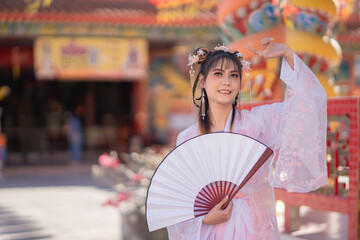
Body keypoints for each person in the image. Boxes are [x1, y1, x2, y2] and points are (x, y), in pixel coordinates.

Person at [166, 38, 328, 239]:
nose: (226, 81)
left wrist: (287, 54)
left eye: (233, 75)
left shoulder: (258, 124)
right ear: (202, 81)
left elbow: (308, 103)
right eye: (218, 74)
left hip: (254, 225)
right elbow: (178, 201)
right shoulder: (187, 138)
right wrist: (206, 219)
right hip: (209, 230)